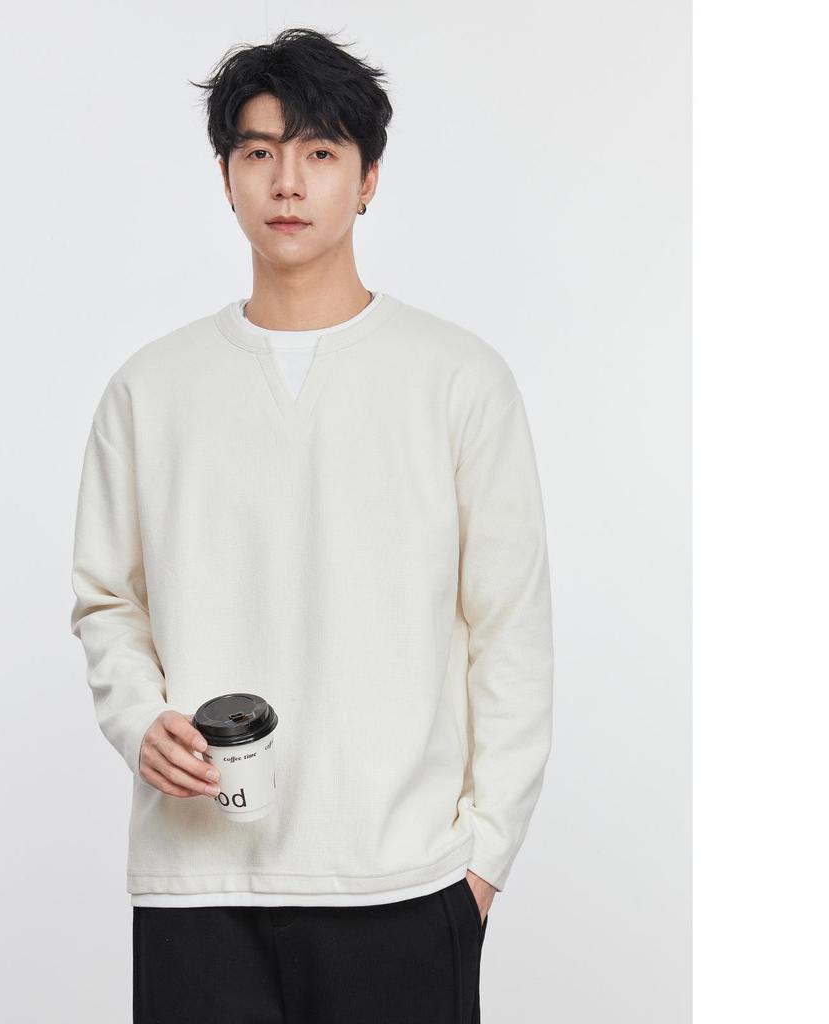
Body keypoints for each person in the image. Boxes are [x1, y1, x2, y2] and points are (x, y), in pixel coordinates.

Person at [70, 26, 554, 1024]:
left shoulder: (458, 380)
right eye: (259, 151)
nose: (287, 182)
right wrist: (138, 719)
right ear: (226, 176)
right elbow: (108, 600)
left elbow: (511, 629)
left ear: (368, 178)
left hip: (404, 883)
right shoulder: (150, 390)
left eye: (321, 151)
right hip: (198, 887)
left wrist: (482, 862)